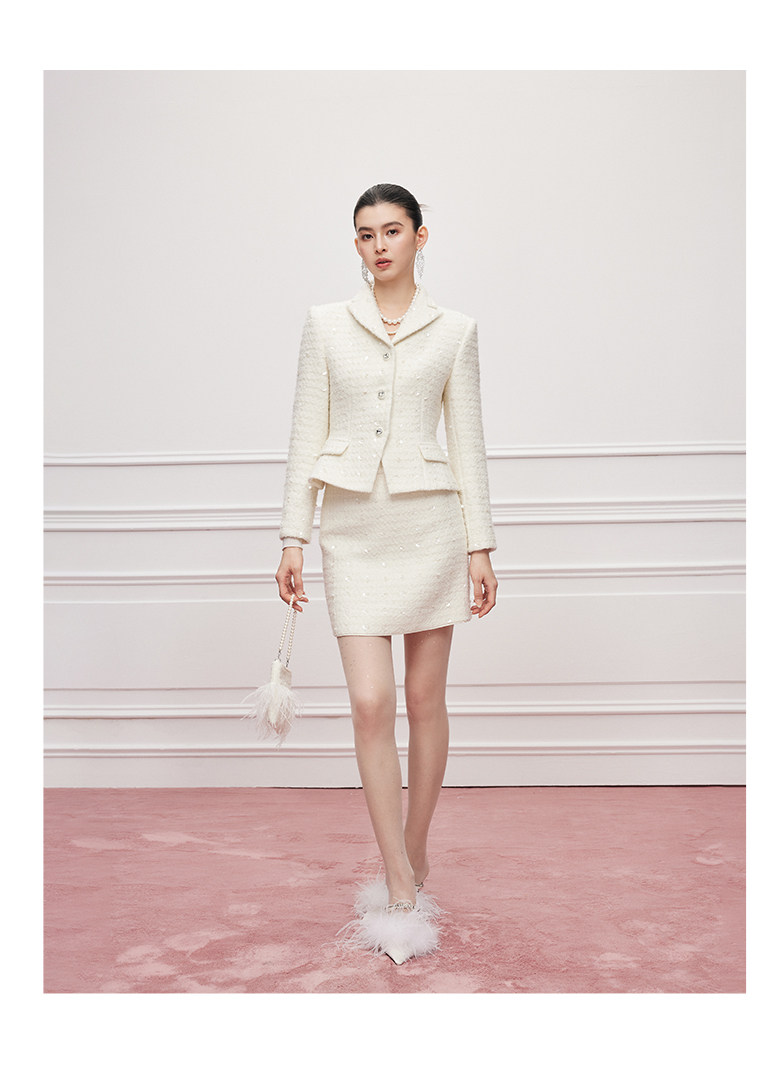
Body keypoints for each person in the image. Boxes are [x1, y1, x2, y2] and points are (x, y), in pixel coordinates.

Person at [275, 183, 497, 963]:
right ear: (357, 244)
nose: (379, 246)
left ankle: (415, 848)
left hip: (431, 527)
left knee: (425, 700)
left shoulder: (455, 331)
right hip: (353, 530)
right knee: (371, 703)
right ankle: (398, 879)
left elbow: (468, 443)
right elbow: (306, 431)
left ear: (419, 237)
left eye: (393, 231)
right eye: (367, 234)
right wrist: (293, 536)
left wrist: (480, 546)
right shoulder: (325, 325)